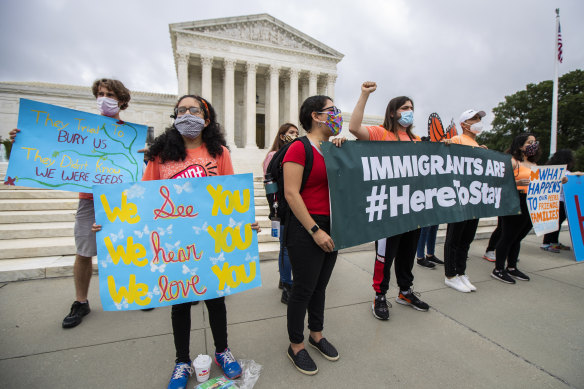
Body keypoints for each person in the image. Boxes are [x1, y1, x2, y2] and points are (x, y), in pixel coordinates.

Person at [141, 94, 260, 388]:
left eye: (193, 110)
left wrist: (246, 223)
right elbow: (142, 197)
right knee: (180, 303)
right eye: (180, 110)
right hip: (175, 241)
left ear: (206, 118)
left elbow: (232, 195)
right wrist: (113, 224)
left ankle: (222, 351)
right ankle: (182, 361)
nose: (186, 114)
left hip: (210, 241)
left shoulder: (218, 152)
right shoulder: (160, 155)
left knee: (215, 298)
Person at [10, 78, 133, 328]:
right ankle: (81, 301)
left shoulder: (131, 133)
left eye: (109, 94)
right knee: (84, 251)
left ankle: (133, 293)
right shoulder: (81, 128)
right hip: (89, 199)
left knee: (127, 249)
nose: (104, 98)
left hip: (121, 199)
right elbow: (49, 146)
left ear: (121, 100)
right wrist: (23, 141)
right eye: (100, 93)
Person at [349, 81, 430, 321]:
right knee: (385, 255)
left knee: (407, 254)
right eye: (405, 107)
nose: (409, 111)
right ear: (393, 112)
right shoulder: (380, 134)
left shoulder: (417, 141)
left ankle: (405, 291)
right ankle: (379, 295)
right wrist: (364, 95)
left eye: (412, 107)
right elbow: (353, 128)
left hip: (414, 208)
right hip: (388, 209)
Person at [284, 95, 345, 375]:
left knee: (320, 286)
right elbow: (291, 193)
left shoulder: (332, 148)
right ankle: (296, 345)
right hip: (306, 226)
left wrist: (345, 151)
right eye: (332, 111)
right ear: (315, 116)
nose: (337, 115)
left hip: (332, 225)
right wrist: (315, 230)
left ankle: (316, 334)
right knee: (303, 288)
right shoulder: (298, 148)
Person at [441, 109, 488, 293]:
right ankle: (450, 275)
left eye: (479, 118)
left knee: (466, 238)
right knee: (454, 237)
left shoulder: (477, 144)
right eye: (474, 118)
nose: (478, 121)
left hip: (474, 198)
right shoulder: (457, 140)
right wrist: (445, 145)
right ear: (464, 124)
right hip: (459, 197)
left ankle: (461, 272)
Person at [492, 133, 538, 284]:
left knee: (518, 237)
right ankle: (498, 269)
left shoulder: (534, 165)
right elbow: (498, 182)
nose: (533, 145)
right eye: (529, 142)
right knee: (507, 236)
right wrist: (519, 184)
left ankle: (512, 267)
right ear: (520, 146)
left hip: (530, 202)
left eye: (534, 142)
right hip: (514, 201)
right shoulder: (512, 162)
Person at [262, 123, 299, 304]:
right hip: (281, 208)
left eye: (297, 133)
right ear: (282, 135)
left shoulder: (297, 153)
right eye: (291, 132)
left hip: (296, 206)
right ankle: (286, 285)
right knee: (285, 248)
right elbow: (270, 183)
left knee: (289, 248)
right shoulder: (272, 156)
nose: (295, 135)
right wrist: (275, 210)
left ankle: (284, 279)